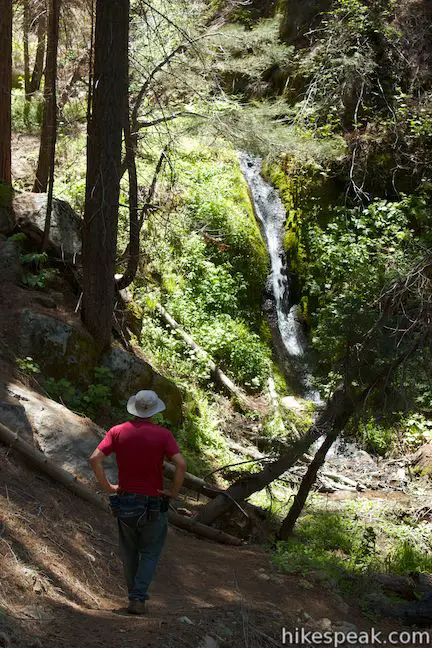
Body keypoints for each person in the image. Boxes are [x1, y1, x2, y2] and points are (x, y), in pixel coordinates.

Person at [89, 389, 186, 615]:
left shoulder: (117, 431)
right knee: (150, 552)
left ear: (134, 408)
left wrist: (108, 486)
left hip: (126, 501)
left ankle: (134, 598)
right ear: (154, 411)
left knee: (129, 551)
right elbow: (181, 464)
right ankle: (138, 599)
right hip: (154, 502)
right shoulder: (163, 435)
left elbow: (94, 459)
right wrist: (172, 491)